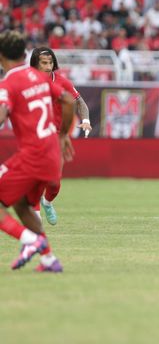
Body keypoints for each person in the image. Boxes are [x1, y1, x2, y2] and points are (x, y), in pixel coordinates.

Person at [0, 31, 75, 272]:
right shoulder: (41, 78)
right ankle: (49, 259)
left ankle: (33, 241)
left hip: (33, 155)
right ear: (24, 54)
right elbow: (69, 101)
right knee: (22, 205)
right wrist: (63, 134)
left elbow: (1, 116)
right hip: (51, 153)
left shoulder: (7, 84)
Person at [30, 47, 92, 225]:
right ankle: (35, 215)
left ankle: (47, 202)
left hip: (57, 137)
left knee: (54, 182)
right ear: (35, 64)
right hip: (35, 135)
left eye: (50, 63)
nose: (48, 67)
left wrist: (86, 120)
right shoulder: (27, 81)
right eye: (44, 63)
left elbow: (80, 102)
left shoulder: (61, 82)